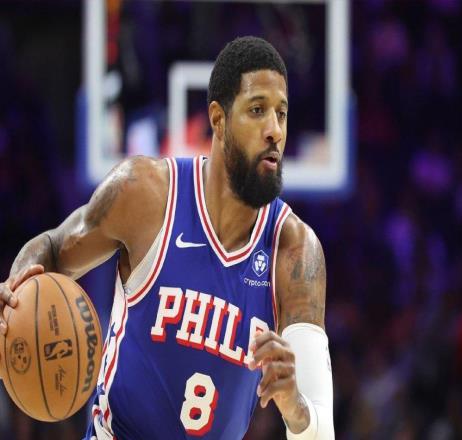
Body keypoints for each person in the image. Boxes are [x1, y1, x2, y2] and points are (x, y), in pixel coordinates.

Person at [0, 36, 334, 439]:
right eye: (257, 110)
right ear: (218, 120)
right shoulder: (147, 193)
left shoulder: (295, 251)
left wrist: (295, 407)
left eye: (281, 113)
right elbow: (54, 248)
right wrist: (15, 293)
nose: (274, 131)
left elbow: (321, 429)